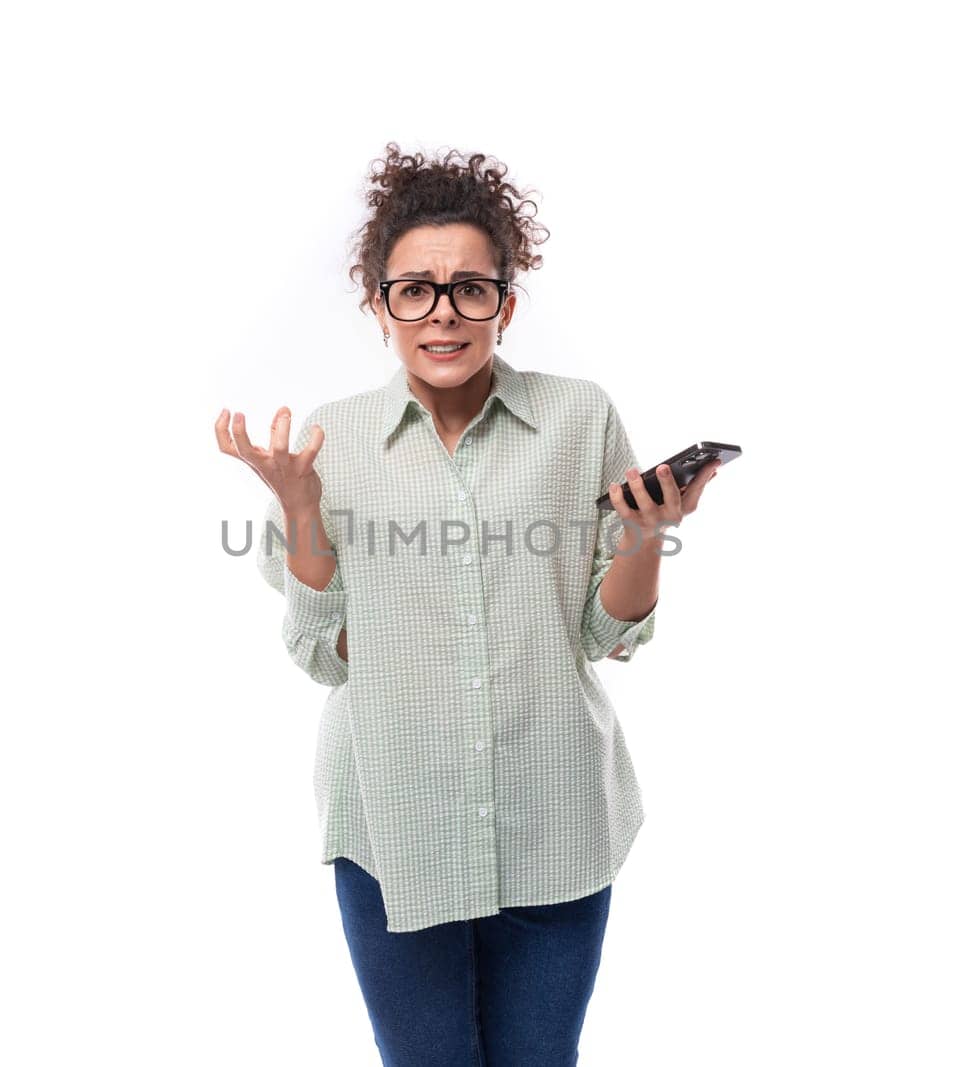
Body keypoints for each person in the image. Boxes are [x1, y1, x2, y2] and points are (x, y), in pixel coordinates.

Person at [215, 143, 721, 1066]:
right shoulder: (332, 443)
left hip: (557, 814)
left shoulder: (579, 418)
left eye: (470, 289)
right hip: (393, 824)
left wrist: (647, 533)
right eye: (414, 290)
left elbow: (606, 633)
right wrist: (298, 506)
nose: (443, 314)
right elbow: (326, 655)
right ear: (379, 307)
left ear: (507, 303)